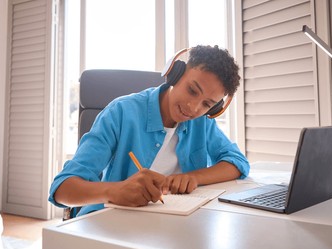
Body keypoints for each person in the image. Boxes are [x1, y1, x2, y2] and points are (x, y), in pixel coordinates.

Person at [48, 45, 250, 217]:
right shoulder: (121, 112)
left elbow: (237, 163)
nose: (193, 107)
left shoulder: (202, 122)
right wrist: (115, 190)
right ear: (175, 74)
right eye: (192, 90)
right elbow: (62, 190)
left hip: (171, 224)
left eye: (207, 104)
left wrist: (194, 177)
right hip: (110, 222)